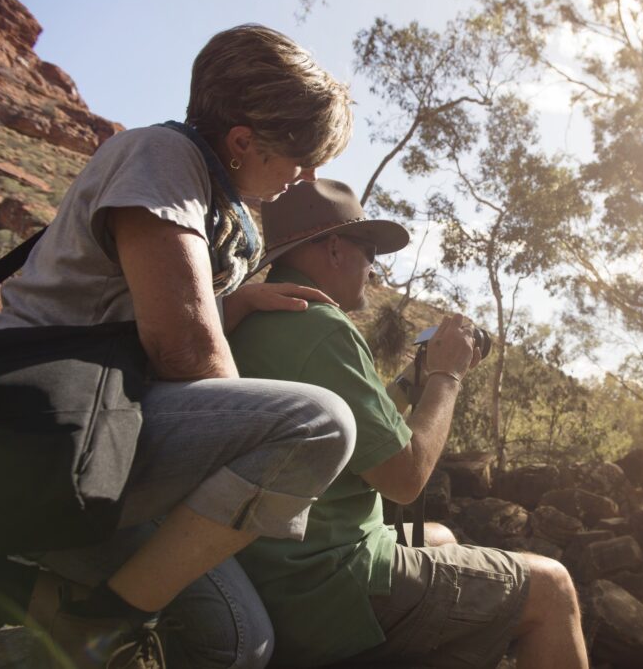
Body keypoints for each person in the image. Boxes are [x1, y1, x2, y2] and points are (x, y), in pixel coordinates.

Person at [0, 25, 357, 669]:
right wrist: (262, 496)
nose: (306, 176)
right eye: (300, 159)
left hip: (112, 427)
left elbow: (137, 302)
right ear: (242, 141)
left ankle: (42, 616)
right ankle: (94, 622)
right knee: (320, 424)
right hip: (48, 434)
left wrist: (235, 302)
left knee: (238, 641)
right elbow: (182, 349)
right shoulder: (162, 156)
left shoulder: (215, 197)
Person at [228, 179, 590, 668]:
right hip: (329, 588)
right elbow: (406, 478)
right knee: (552, 587)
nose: (374, 265)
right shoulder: (323, 329)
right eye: (368, 249)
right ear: (334, 248)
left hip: (273, 566)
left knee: (439, 536)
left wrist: (407, 385)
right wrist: (447, 375)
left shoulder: (253, 319)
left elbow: (357, 430)